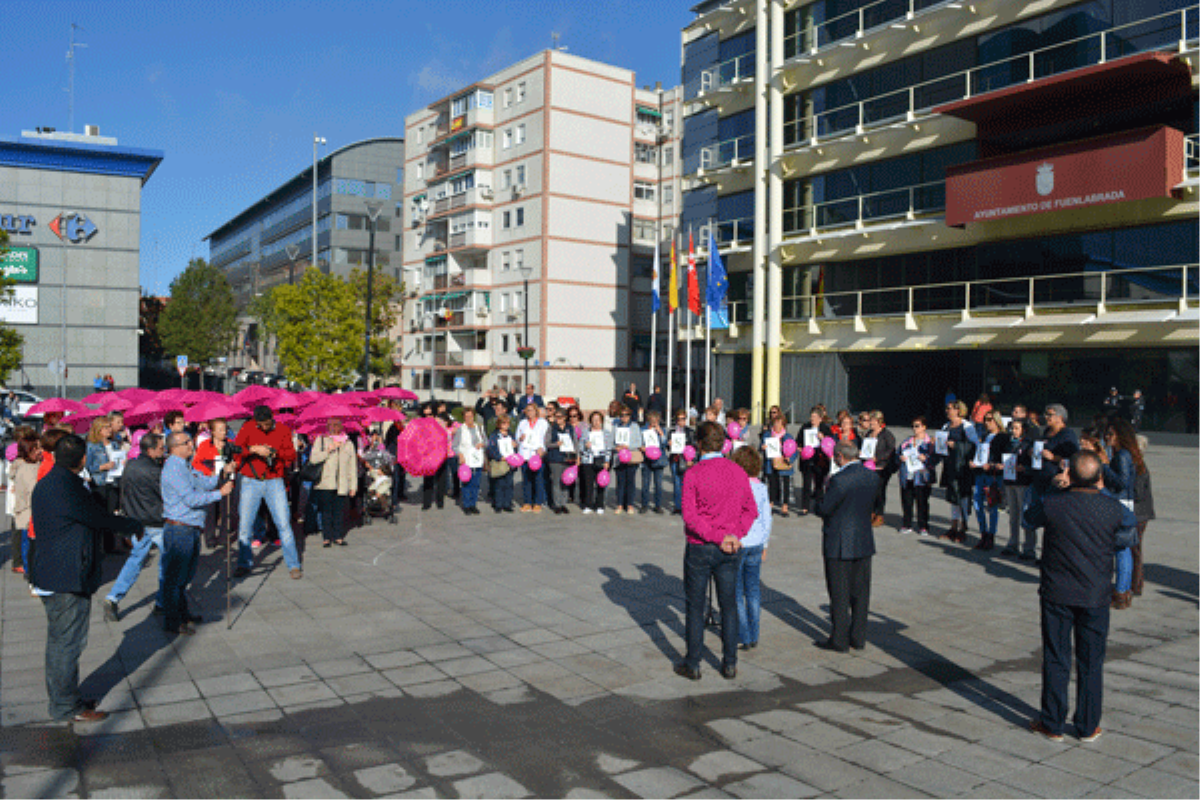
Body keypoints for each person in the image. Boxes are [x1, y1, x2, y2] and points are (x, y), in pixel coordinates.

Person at [29, 434, 143, 723]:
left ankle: (67, 699)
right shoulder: (66, 487)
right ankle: (66, 706)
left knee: (60, 641)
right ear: (81, 460)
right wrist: (132, 524)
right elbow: (99, 518)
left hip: (53, 571)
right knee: (66, 644)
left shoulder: (54, 482)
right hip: (65, 576)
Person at [1025, 450, 1134, 743]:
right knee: (1091, 661)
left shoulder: (1053, 504)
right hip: (1095, 594)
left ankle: (1053, 722)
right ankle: (1087, 725)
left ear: (1069, 475)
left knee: (1057, 657)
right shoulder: (1112, 509)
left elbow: (1028, 518)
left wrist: (1053, 486)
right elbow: (1129, 531)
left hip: (1057, 592)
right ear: (1100, 477)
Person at [676, 421, 756, 681]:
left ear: (698, 444)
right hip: (729, 546)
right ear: (723, 443)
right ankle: (730, 663)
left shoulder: (694, 473)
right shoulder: (737, 471)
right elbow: (750, 510)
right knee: (729, 605)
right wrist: (734, 535)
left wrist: (718, 536)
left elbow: (690, 517)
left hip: (701, 546)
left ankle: (694, 663)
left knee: (695, 606)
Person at [161, 432, 234, 635]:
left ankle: (182, 614)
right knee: (175, 579)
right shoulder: (174, 469)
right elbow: (191, 499)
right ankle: (173, 621)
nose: (191, 445)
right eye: (187, 443)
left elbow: (202, 482)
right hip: (179, 529)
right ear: (175, 447)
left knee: (184, 577)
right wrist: (220, 493)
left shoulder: (185, 465)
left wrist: (221, 475)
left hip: (189, 528)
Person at [814, 441, 879, 653]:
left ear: (841, 456)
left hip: (839, 542)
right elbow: (877, 505)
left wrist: (819, 497)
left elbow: (825, 508)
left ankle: (840, 639)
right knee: (861, 593)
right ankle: (858, 637)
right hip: (862, 540)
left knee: (839, 593)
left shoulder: (839, 480)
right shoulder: (871, 476)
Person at [102, 433, 167, 622]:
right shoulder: (154, 471)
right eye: (161, 448)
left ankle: (113, 597)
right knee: (167, 561)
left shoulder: (131, 465)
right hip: (155, 521)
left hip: (136, 521)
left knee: (135, 560)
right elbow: (164, 494)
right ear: (151, 450)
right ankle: (162, 602)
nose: (163, 451)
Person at [232, 405, 302, 580]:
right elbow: (236, 451)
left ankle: (293, 564)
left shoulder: (283, 430)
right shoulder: (248, 427)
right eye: (261, 424)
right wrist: (253, 450)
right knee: (245, 526)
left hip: (274, 480)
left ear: (272, 419)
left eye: (267, 424)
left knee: (284, 524)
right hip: (251, 480)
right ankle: (244, 563)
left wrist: (275, 453)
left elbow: (291, 455)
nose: (264, 427)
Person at [731, 447, 771, 651]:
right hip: (756, 543)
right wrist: (765, 544)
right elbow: (766, 519)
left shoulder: (736, 487)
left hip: (740, 542)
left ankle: (743, 635)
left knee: (737, 591)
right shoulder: (762, 488)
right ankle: (754, 634)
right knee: (753, 590)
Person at [1104, 419, 1141, 609]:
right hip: (1123, 502)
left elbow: (1122, 482)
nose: (1107, 437)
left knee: (1121, 549)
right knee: (1122, 548)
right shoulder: (1122, 454)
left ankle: (1121, 592)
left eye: (1111, 434)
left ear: (1120, 436)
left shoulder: (1123, 455)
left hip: (1121, 503)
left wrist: (1103, 467)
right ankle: (1122, 591)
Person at [309, 417, 359, 546]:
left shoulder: (348, 443)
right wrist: (328, 450)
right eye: (331, 425)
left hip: (342, 484)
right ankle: (327, 537)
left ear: (342, 426)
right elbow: (313, 459)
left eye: (337, 425)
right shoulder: (321, 440)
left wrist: (353, 486)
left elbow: (352, 466)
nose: (334, 428)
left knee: (339, 511)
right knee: (326, 511)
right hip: (325, 483)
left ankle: (338, 536)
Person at [193, 418, 238, 549]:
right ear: (212, 432)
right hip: (210, 480)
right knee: (211, 510)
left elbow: (238, 459)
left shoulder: (230, 443)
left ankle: (224, 536)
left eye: (225, 429)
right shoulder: (205, 445)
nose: (223, 432)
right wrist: (209, 472)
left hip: (227, 479)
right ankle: (210, 537)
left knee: (227, 509)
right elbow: (196, 463)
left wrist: (235, 464)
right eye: (220, 429)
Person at [1000, 418, 1038, 560]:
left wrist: (1024, 469)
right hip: (1010, 481)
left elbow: (1035, 465)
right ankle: (1013, 543)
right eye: (1012, 428)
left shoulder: (1029, 444)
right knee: (1013, 515)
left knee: (1025, 515)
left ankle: (1029, 548)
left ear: (1023, 430)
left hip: (1023, 483)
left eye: (1016, 428)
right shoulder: (1009, 443)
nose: (1013, 431)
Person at [971, 410, 1009, 551]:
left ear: (997, 421)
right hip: (981, 473)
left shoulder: (1003, 437)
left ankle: (991, 535)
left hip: (994, 475)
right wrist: (975, 462)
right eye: (986, 420)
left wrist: (992, 465)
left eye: (990, 419)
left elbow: (1005, 458)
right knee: (977, 503)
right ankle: (983, 533)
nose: (987, 423)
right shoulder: (985, 436)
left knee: (993, 505)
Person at [940, 400, 977, 543]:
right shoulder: (946, 426)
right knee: (952, 497)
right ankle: (953, 526)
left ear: (958, 410)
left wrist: (956, 445)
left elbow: (974, 445)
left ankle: (963, 527)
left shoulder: (967, 426)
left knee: (963, 497)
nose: (947, 411)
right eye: (947, 408)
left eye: (950, 409)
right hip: (950, 465)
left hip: (962, 467)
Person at [10, 433, 41, 574]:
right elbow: (32, 494)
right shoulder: (25, 469)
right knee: (28, 547)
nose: (39, 451)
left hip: (32, 514)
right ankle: (30, 577)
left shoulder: (37, 465)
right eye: (35, 449)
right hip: (28, 514)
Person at [897, 417, 934, 536]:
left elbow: (936, 458)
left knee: (922, 502)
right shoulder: (907, 441)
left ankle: (923, 526)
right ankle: (907, 524)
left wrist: (926, 458)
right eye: (913, 426)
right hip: (908, 475)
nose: (914, 428)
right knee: (907, 501)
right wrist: (900, 458)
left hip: (922, 477)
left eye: (917, 426)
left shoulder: (929, 442)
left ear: (924, 427)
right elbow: (898, 453)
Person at [798, 407, 833, 516]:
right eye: (811, 417)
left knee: (819, 484)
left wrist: (823, 438)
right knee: (806, 484)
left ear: (820, 418)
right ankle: (805, 507)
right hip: (807, 459)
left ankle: (818, 506)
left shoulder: (825, 428)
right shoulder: (805, 427)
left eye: (814, 417)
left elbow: (830, 443)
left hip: (820, 460)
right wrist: (801, 450)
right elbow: (798, 442)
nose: (812, 419)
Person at [761, 413, 797, 517]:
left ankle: (784, 507)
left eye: (779, 423)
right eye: (775, 423)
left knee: (785, 484)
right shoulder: (767, 435)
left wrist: (790, 458)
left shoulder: (788, 436)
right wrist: (763, 448)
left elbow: (794, 450)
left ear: (783, 425)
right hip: (771, 463)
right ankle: (770, 505)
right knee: (772, 484)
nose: (776, 425)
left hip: (784, 463)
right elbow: (761, 446)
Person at [864, 411, 896, 528]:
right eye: (870, 420)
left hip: (882, 467)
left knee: (880, 491)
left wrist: (878, 458)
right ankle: (871, 512)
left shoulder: (886, 434)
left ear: (879, 421)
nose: (870, 423)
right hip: (869, 467)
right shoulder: (869, 434)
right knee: (871, 491)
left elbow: (891, 450)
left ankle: (880, 515)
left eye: (872, 420)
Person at [516, 402, 548, 512]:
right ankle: (527, 502)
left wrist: (542, 449)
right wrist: (520, 438)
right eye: (527, 410)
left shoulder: (543, 423)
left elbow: (546, 438)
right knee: (526, 479)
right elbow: (517, 438)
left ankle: (538, 502)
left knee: (538, 479)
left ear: (536, 411)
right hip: (525, 454)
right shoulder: (522, 423)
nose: (529, 412)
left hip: (537, 455)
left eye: (531, 410)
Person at [611, 404, 643, 514]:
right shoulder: (615, 426)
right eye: (621, 415)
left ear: (630, 416)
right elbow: (611, 442)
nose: (624, 417)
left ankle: (630, 505)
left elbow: (639, 442)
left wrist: (628, 446)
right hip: (619, 458)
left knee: (630, 482)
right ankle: (619, 504)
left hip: (631, 457)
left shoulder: (635, 426)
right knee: (620, 482)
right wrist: (616, 447)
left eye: (626, 415)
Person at [579, 410, 613, 514]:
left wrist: (607, 461)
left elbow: (609, 448)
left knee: (601, 484)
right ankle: (588, 504)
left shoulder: (606, 433)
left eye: (598, 420)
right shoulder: (586, 432)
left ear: (602, 421)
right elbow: (580, 446)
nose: (596, 422)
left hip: (601, 459)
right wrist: (585, 446)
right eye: (594, 420)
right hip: (588, 460)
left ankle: (600, 505)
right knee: (588, 484)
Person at [455, 408, 487, 515]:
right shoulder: (460, 429)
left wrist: (482, 444)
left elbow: (486, 442)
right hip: (466, 461)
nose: (469, 418)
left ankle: (473, 505)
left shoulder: (480, 428)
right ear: (464, 417)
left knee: (476, 484)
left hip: (477, 461)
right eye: (466, 416)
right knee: (466, 484)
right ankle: (466, 505)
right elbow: (454, 446)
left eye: (471, 416)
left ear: (474, 416)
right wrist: (460, 455)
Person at [666, 409, 695, 516]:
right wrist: (669, 444)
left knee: (686, 485)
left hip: (686, 460)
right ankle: (678, 506)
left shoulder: (690, 432)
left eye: (683, 419)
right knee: (676, 484)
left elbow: (694, 447)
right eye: (679, 419)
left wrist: (692, 460)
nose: (681, 421)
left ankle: (687, 507)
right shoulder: (672, 432)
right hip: (675, 459)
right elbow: (668, 448)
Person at [639, 410, 668, 514]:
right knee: (645, 483)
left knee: (658, 484)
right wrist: (641, 447)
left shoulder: (662, 430)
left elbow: (665, 445)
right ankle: (644, 504)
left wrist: (661, 434)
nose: (654, 422)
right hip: (646, 459)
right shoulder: (643, 430)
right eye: (652, 420)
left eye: (656, 420)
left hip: (658, 459)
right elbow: (640, 442)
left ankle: (658, 505)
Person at [486, 414, 516, 513]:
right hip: (500, 462)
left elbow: (515, 449)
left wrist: (515, 445)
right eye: (504, 423)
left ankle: (507, 504)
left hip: (510, 462)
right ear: (499, 424)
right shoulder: (494, 435)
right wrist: (499, 457)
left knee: (509, 484)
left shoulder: (511, 434)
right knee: (499, 484)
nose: (506, 425)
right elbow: (490, 449)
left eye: (507, 423)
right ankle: (498, 504)